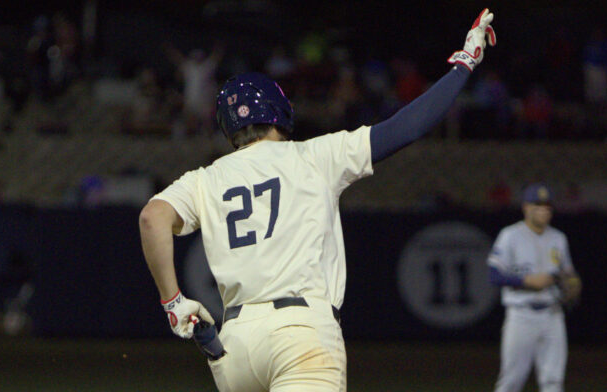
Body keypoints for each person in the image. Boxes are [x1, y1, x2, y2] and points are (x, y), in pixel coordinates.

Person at [139, 9, 496, 392]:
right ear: (278, 112)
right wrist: (464, 64)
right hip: (301, 333)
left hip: (236, 343)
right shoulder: (315, 155)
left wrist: (172, 302)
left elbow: (152, 217)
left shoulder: (206, 179)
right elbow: (407, 127)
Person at [488, 183, 582, 392]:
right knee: (511, 382)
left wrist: (572, 281)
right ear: (526, 207)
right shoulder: (510, 235)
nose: (543, 210)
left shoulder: (558, 238)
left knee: (553, 382)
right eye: (537, 205)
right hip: (521, 316)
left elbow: (567, 273)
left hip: (552, 315)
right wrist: (527, 281)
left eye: (547, 206)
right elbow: (494, 275)